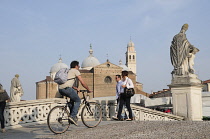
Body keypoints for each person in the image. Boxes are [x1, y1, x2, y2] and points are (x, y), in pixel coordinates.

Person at [58, 61, 91, 126]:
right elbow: (82, 82)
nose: (79, 67)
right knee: (78, 100)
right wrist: (88, 89)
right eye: (78, 66)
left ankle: (70, 115)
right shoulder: (75, 71)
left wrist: (75, 88)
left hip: (60, 89)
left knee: (72, 101)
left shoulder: (68, 71)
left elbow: (67, 81)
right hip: (67, 89)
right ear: (76, 66)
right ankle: (72, 116)